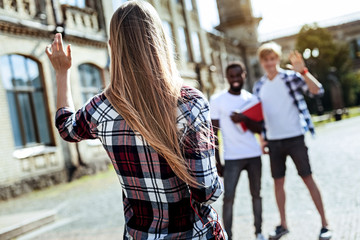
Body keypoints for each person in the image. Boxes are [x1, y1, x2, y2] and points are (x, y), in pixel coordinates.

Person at [45, 1, 226, 239]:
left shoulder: (100, 107)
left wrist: (62, 72)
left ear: (113, 46)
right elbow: (206, 192)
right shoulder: (189, 102)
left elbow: (66, 128)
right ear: (160, 41)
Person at [253, 42, 332, 240]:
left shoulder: (291, 77)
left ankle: (325, 224)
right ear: (262, 62)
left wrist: (304, 71)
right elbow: (258, 116)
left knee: (308, 178)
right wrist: (262, 140)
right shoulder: (259, 86)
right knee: (278, 184)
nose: (270, 63)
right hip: (273, 141)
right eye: (266, 60)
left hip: (295, 137)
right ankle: (283, 225)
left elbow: (317, 91)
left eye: (273, 59)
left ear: (278, 59)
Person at [210, 62, 266, 240]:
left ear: (244, 75)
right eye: (231, 76)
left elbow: (259, 128)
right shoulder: (217, 100)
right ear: (227, 78)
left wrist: (244, 118)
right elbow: (213, 133)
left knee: (256, 194)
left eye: (238, 75)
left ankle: (258, 232)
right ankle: (228, 235)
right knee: (228, 198)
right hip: (232, 157)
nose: (235, 79)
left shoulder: (252, 99)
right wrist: (217, 162)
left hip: (253, 155)